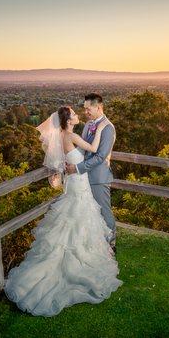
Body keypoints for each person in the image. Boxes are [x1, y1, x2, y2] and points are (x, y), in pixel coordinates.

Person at [3, 105, 123, 317]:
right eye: (75, 114)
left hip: (75, 183)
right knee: (80, 219)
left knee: (73, 220)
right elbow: (95, 149)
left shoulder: (60, 136)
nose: (78, 116)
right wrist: (104, 126)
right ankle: (76, 262)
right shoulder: (72, 135)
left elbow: (67, 160)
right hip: (79, 185)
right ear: (68, 120)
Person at [65, 93, 117, 253]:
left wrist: (78, 168)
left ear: (98, 107)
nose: (85, 111)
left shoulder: (108, 127)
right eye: (84, 108)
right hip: (85, 178)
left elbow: (101, 156)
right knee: (91, 213)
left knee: (104, 211)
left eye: (88, 109)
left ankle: (112, 244)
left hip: (99, 177)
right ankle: (96, 244)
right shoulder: (88, 125)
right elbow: (83, 148)